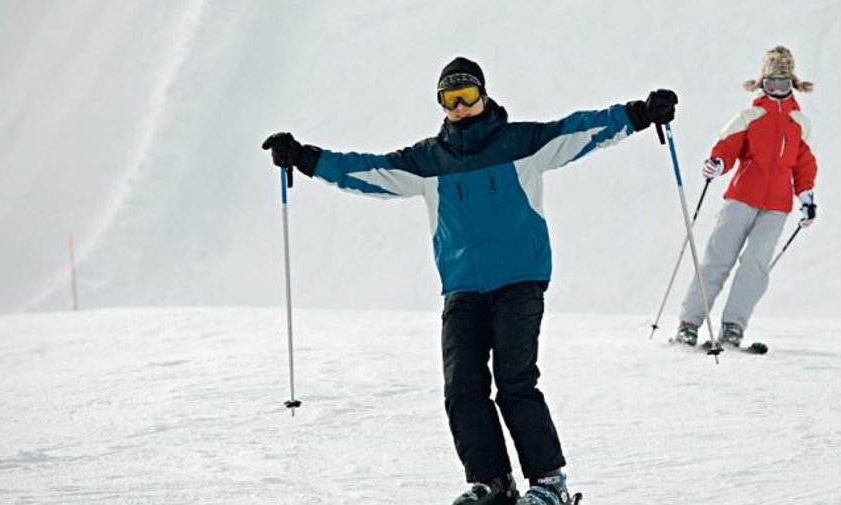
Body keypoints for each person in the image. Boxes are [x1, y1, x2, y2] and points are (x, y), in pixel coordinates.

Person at [263, 57, 678, 505]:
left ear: (483, 95)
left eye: (467, 96)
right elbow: (365, 170)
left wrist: (638, 114)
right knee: (462, 389)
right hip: (461, 286)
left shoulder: (523, 142)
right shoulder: (427, 161)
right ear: (441, 104)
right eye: (449, 99)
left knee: (515, 382)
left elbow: (580, 131)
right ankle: (490, 483)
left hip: (520, 280)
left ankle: (549, 484)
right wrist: (304, 157)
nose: (460, 107)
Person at [674, 46, 818, 348]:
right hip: (741, 198)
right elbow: (727, 147)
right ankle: (689, 322)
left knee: (755, 266)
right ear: (762, 83)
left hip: (777, 207)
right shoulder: (749, 116)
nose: (777, 91)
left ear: (793, 84)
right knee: (718, 259)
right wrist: (717, 163)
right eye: (772, 84)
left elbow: (804, 165)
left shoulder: (800, 123)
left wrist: (806, 198)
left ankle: (733, 326)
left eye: (784, 84)